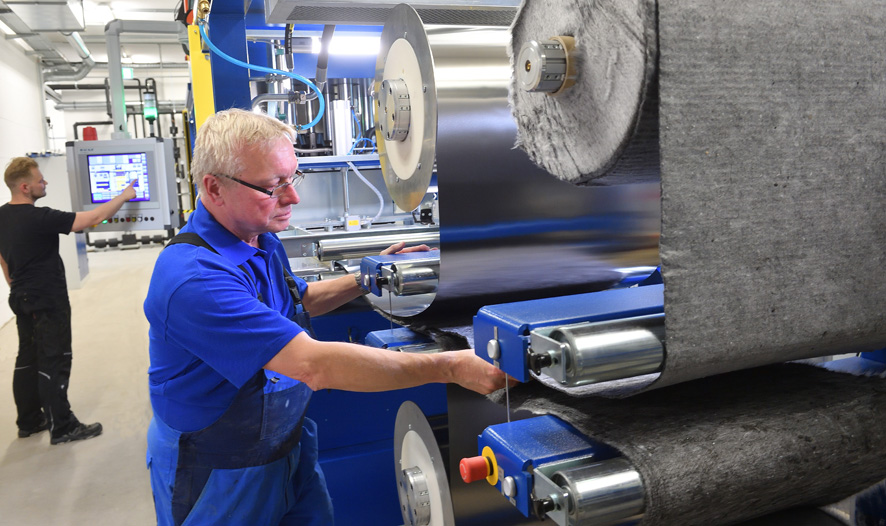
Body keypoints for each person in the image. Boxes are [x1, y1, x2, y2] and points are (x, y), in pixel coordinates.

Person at [143, 108, 509, 526]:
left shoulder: (259, 238)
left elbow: (299, 301)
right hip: (218, 472)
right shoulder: (195, 280)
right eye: (273, 186)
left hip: (287, 446)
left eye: (292, 178)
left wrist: (368, 277)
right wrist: (449, 366)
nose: (293, 198)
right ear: (214, 187)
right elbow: (313, 365)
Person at [0, 156, 136, 444]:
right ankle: (62, 427)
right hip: (47, 300)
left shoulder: (2, 216)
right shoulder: (40, 218)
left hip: (21, 297)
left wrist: (15, 285)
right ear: (25, 187)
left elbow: (3, 259)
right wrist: (124, 196)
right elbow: (94, 218)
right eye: (40, 180)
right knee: (55, 359)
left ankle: (29, 421)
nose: (45, 182)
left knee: (28, 358)